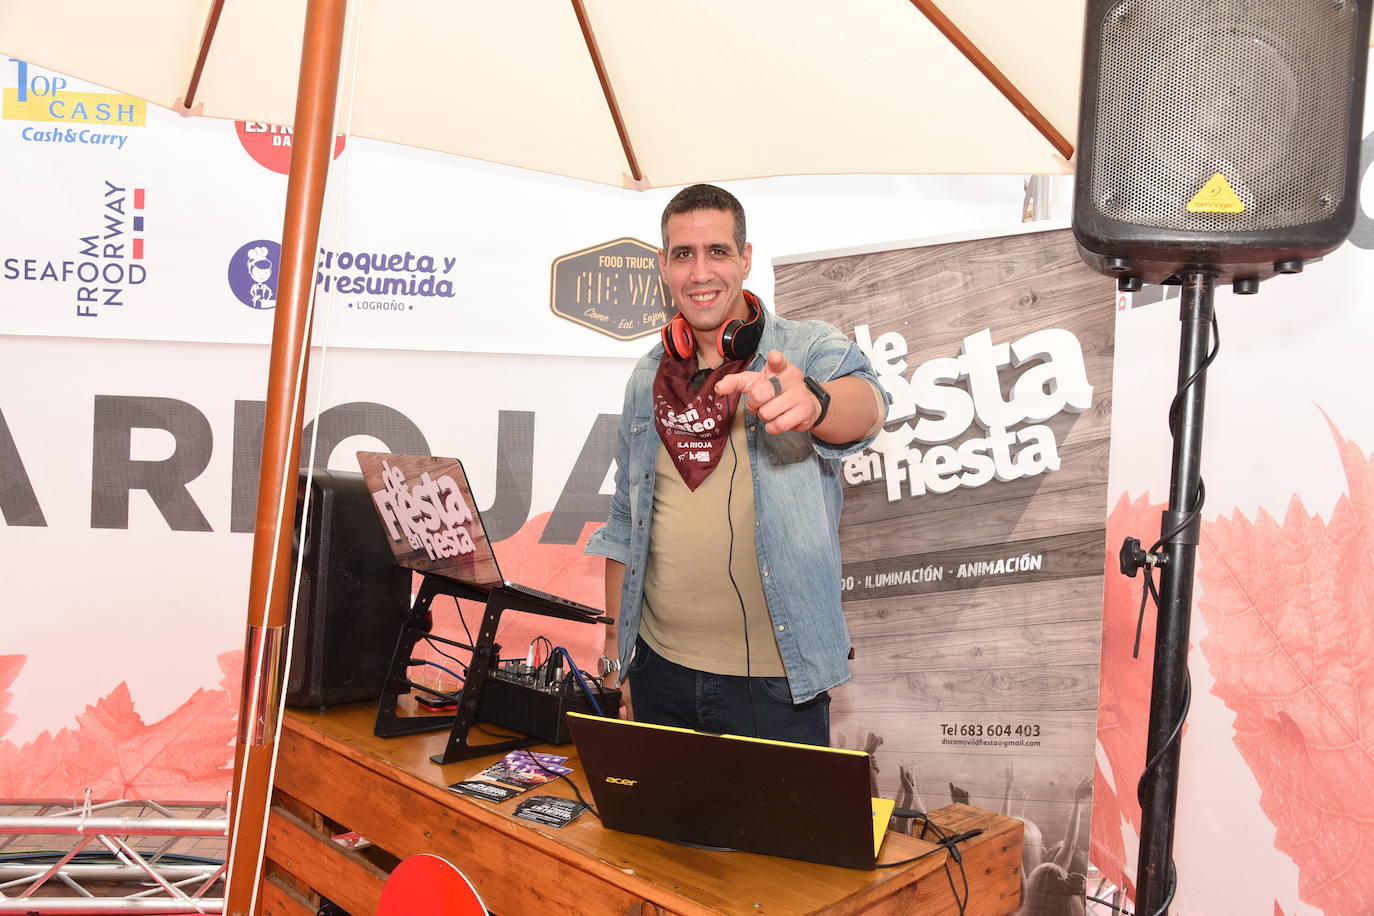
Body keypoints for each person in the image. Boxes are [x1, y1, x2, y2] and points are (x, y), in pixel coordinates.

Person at [585, 184, 883, 746]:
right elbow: (625, 521)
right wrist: (612, 652)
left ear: (745, 259)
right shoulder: (646, 378)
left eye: (717, 252)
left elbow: (867, 408)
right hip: (657, 670)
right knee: (655, 839)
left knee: (778, 838)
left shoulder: (803, 348)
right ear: (664, 268)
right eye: (684, 254)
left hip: (777, 682)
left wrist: (814, 403)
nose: (701, 272)